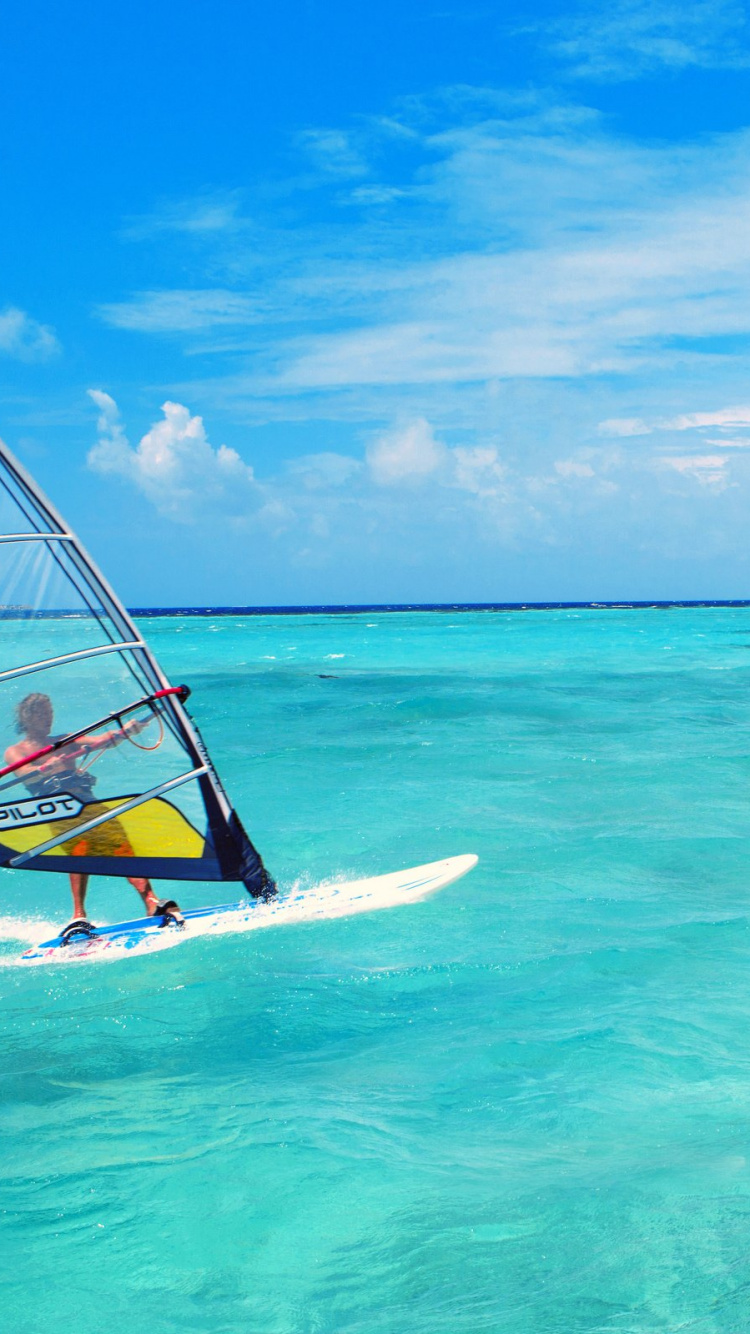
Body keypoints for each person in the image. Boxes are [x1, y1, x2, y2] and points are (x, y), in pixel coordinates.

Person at [4, 691, 181, 932]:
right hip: (59, 809)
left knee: (122, 846)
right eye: (43, 713)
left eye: (50, 712)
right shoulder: (16, 751)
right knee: (79, 851)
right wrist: (45, 767)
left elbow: (102, 741)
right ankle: (78, 914)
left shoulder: (65, 740)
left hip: (88, 803)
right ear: (28, 717)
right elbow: (24, 772)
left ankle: (151, 901)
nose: (49, 718)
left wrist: (127, 730)